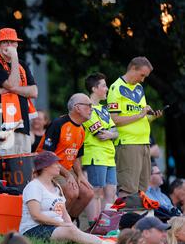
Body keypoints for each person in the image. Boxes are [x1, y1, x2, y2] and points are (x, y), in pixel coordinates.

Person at [19, 151, 111, 244]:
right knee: (72, 233)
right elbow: (36, 215)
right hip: (33, 229)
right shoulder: (34, 186)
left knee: (75, 233)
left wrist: (70, 225)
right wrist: (61, 224)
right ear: (45, 167)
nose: (59, 166)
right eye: (55, 164)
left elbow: (64, 212)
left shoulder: (56, 186)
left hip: (55, 227)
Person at [107, 57, 163, 197]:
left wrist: (151, 116)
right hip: (128, 143)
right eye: (142, 75)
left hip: (144, 143)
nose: (143, 80)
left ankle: (138, 219)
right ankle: (126, 219)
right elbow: (114, 119)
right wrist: (139, 115)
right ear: (133, 69)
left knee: (142, 188)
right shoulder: (116, 88)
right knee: (128, 188)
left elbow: (141, 116)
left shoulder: (139, 88)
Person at [36, 94, 94, 220]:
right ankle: (55, 223)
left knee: (88, 193)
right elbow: (47, 155)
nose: (91, 108)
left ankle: (69, 223)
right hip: (49, 167)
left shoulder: (82, 129)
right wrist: (67, 175)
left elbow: (76, 155)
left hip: (67, 169)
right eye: (89, 105)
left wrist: (79, 175)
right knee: (72, 193)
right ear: (77, 108)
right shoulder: (58, 124)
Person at [0, 27, 38, 155]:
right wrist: (14, 57)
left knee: (24, 169)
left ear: (17, 44)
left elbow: (34, 92)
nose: (9, 45)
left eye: (12, 42)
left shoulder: (23, 65)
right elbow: (13, 84)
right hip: (3, 127)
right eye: (5, 42)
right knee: (6, 170)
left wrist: (6, 90)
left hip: (23, 126)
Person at [82, 73, 118, 226]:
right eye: (103, 85)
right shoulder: (87, 108)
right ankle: (93, 226)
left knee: (111, 193)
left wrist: (111, 134)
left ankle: (107, 226)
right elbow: (100, 134)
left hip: (109, 155)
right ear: (94, 88)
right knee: (96, 192)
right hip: (95, 154)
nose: (107, 89)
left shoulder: (103, 109)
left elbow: (116, 132)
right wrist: (111, 134)